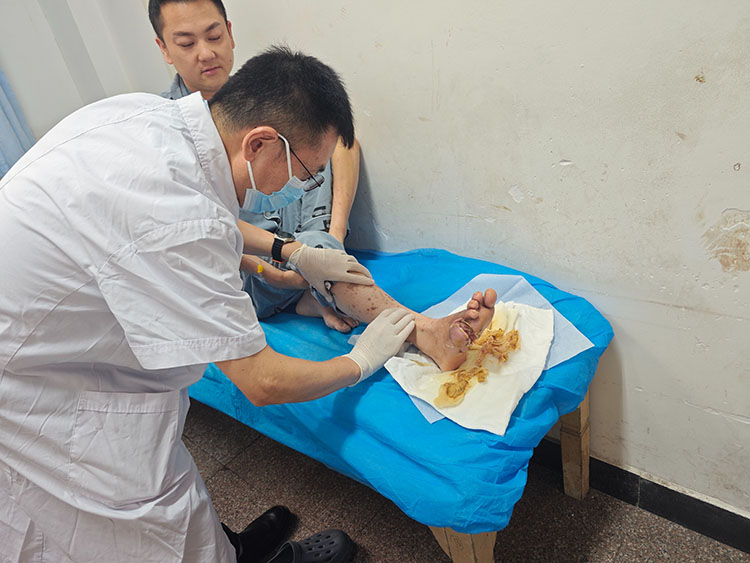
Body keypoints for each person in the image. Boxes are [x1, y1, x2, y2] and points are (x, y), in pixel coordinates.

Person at [0, 45, 495, 562]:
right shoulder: (180, 219)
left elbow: (194, 218)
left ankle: (427, 332)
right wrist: (361, 360)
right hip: (40, 395)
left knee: (323, 255)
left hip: (58, 322)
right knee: (158, 527)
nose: (302, 188)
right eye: (305, 174)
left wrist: (292, 250)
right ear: (259, 144)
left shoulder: (146, 117)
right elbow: (263, 382)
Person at [150, 0, 363, 334]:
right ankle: (414, 326)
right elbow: (201, 233)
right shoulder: (165, 136)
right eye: (187, 43)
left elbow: (342, 143)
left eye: (214, 36)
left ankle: (316, 278)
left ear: (229, 33)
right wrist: (275, 268)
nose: (206, 53)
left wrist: (332, 240)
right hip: (251, 266)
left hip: (304, 236)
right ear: (164, 49)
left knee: (319, 146)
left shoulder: (260, 92)